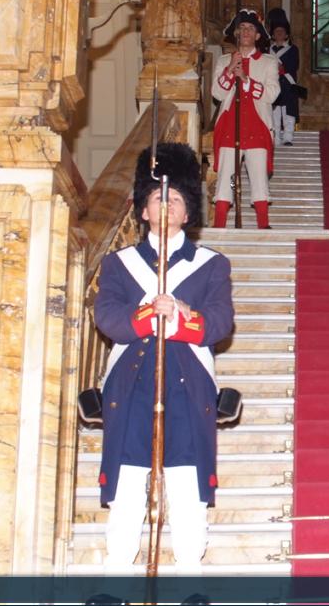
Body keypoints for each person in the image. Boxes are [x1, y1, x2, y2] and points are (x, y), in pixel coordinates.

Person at [95, 143, 234, 574]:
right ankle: (117, 574)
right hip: (132, 385)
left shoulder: (212, 265)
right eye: (159, 198)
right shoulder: (119, 264)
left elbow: (218, 323)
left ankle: (189, 575)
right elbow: (109, 318)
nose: (167, 204)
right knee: (129, 481)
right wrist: (146, 314)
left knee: (186, 481)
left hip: (187, 383)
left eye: (175, 199)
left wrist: (177, 317)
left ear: (188, 212)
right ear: (143, 210)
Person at [212, 8, 280, 229]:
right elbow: (217, 94)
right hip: (230, 126)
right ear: (236, 33)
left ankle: (263, 225)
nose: (246, 31)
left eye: (251, 28)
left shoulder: (268, 62)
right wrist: (231, 70)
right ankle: (220, 224)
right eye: (242, 28)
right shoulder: (224, 60)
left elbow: (272, 94)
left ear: (258, 35)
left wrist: (246, 79)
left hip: (257, 127)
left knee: (258, 178)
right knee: (227, 179)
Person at [267, 8, 299, 147]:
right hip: (273, 83)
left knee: (288, 111)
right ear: (273, 35)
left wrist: (282, 68)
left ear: (286, 35)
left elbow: (294, 65)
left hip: (288, 84)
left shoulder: (293, 49)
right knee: (274, 112)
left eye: (282, 32)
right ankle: (275, 137)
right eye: (276, 32)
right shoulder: (268, 51)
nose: (279, 33)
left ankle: (288, 137)